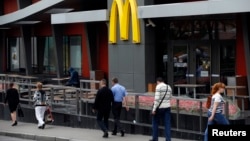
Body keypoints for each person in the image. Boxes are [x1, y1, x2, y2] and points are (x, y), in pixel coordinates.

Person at [150, 77, 172, 141]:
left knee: (155, 123)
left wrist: (154, 109)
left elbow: (156, 99)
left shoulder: (158, 87)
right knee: (167, 124)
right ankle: (168, 139)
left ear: (158, 81)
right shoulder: (169, 87)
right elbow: (170, 97)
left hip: (159, 108)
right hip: (167, 107)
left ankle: (155, 138)